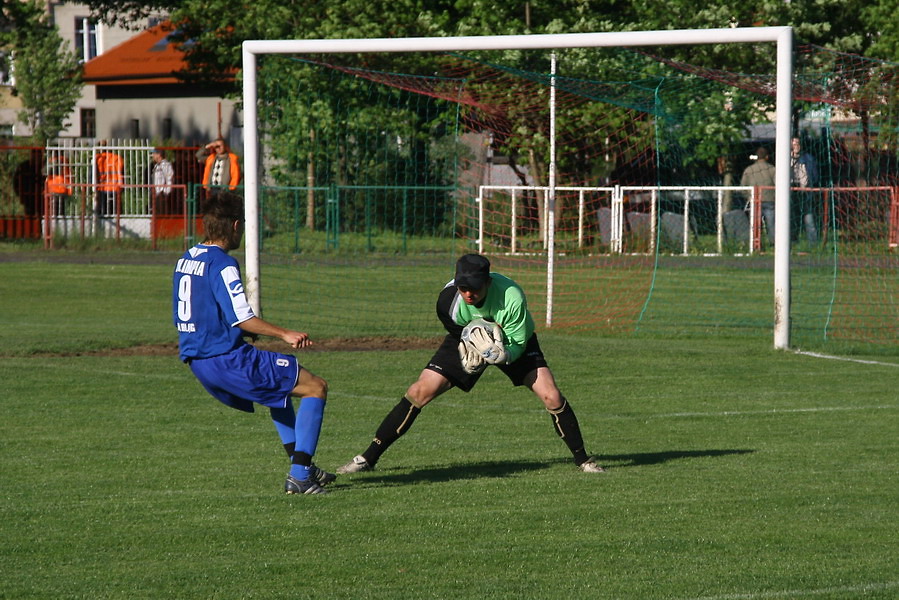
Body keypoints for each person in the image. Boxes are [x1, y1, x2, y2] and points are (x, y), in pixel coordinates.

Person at [337, 253, 605, 476]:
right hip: (468, 339)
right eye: (463, 287)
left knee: (551, 395)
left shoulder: (512, 297)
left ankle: (584, 460)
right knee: (419, 391)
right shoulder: (448, 302)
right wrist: (473, 351)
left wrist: (502, 354)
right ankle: (367, 458)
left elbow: (519, 342)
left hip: (511, 341)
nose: (468, 293)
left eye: (474, 288)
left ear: (488, 282)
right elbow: (459, 334)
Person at [172, 191, 335, 495]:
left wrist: (238, 333)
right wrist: (284, 333)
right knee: (316, 387)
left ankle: (303, 467)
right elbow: (242, 317)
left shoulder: (187, 259)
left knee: (280, 394)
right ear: (235, 226)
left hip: (199, 361)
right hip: (228, 360)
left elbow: (199, 310)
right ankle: (300, 476)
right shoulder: (223, 263)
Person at [740, 147, 777, 246]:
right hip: (770, 200)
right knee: (771, 223)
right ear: (767, 157)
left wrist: (748, 197)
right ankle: (774, 244)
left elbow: (743, 186)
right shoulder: (772, 169)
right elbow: (777, 184)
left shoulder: (749, 170)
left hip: (754, 200)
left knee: (755, 224)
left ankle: (755, 243)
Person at [790, 136, 819, 244]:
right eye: (793, 144)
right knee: (791, 217)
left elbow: (815, 176)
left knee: (808, 216)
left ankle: (813, 242)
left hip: (805, 191)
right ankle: (792, 240)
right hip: (790, 191)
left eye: (797, 143)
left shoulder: (808, 159)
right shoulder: (784, 158)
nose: (796, 146)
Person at [95, 141, 124, 219]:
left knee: (102, 213)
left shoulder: (98, 158)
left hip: (102, 188)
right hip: (116, 188)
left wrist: (94, 189)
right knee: (116, 212)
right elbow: (122, 173)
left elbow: (94, 175)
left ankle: (102, 229)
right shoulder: (117, 158)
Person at [151, 148, 174, 214]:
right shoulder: (157, 165)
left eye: (154, 153)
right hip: (157, 194)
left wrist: (166, 193)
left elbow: (169, 179)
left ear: (159, 155)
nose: (153, 155)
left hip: (162, 194)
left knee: (162, 214)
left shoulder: (166, 165)